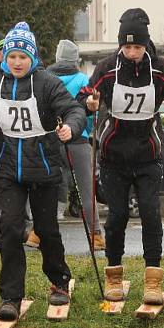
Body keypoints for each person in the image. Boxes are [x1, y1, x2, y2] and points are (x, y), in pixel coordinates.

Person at [0, 22, 86, 320]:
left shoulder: (47, 82)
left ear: (32, 57)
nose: (17, 62)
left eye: (23, 57)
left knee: (46, 230)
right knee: (9, 229)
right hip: (8, 168)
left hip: (44, 168)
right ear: (5, 58)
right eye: (12, 57)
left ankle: (59, 280)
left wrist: (70, 129)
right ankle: (11, 296)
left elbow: (74, 110)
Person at [81, 8, 164, 305]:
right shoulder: (107, 67)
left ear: (146, 45)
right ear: (120, 45)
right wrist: (90, 102)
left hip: (147, 154)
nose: (132, 53)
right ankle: (114, 274)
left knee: (151, 213)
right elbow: (85, 94)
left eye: (138, 47)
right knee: (116, 216)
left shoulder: (160, 69)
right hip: (113, 155)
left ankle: (153, 278)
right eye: (127, 47)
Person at [48, 39, 104, 249]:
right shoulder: (83, 80)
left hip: (51, 139)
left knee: (47, 187)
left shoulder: (46, 77)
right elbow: (90, 114)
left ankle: (38, 232)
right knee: (86, 190)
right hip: (79, 141)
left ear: (56, 57)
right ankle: (96, 235)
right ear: (76, 60)